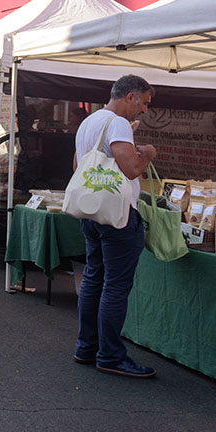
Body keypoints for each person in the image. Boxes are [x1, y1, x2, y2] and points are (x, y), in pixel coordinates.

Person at [74, 75, 158, 379]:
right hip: (118, 215)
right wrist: (147, 153)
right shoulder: (118, 123)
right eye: (145, 103)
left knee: (94, 278)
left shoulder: (89, 121)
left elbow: (77, 168)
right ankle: (109, 354)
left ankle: (87, 346)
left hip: (92, 212)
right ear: (131, 96)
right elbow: (132, 169)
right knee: (116, 285)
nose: (145, 111)